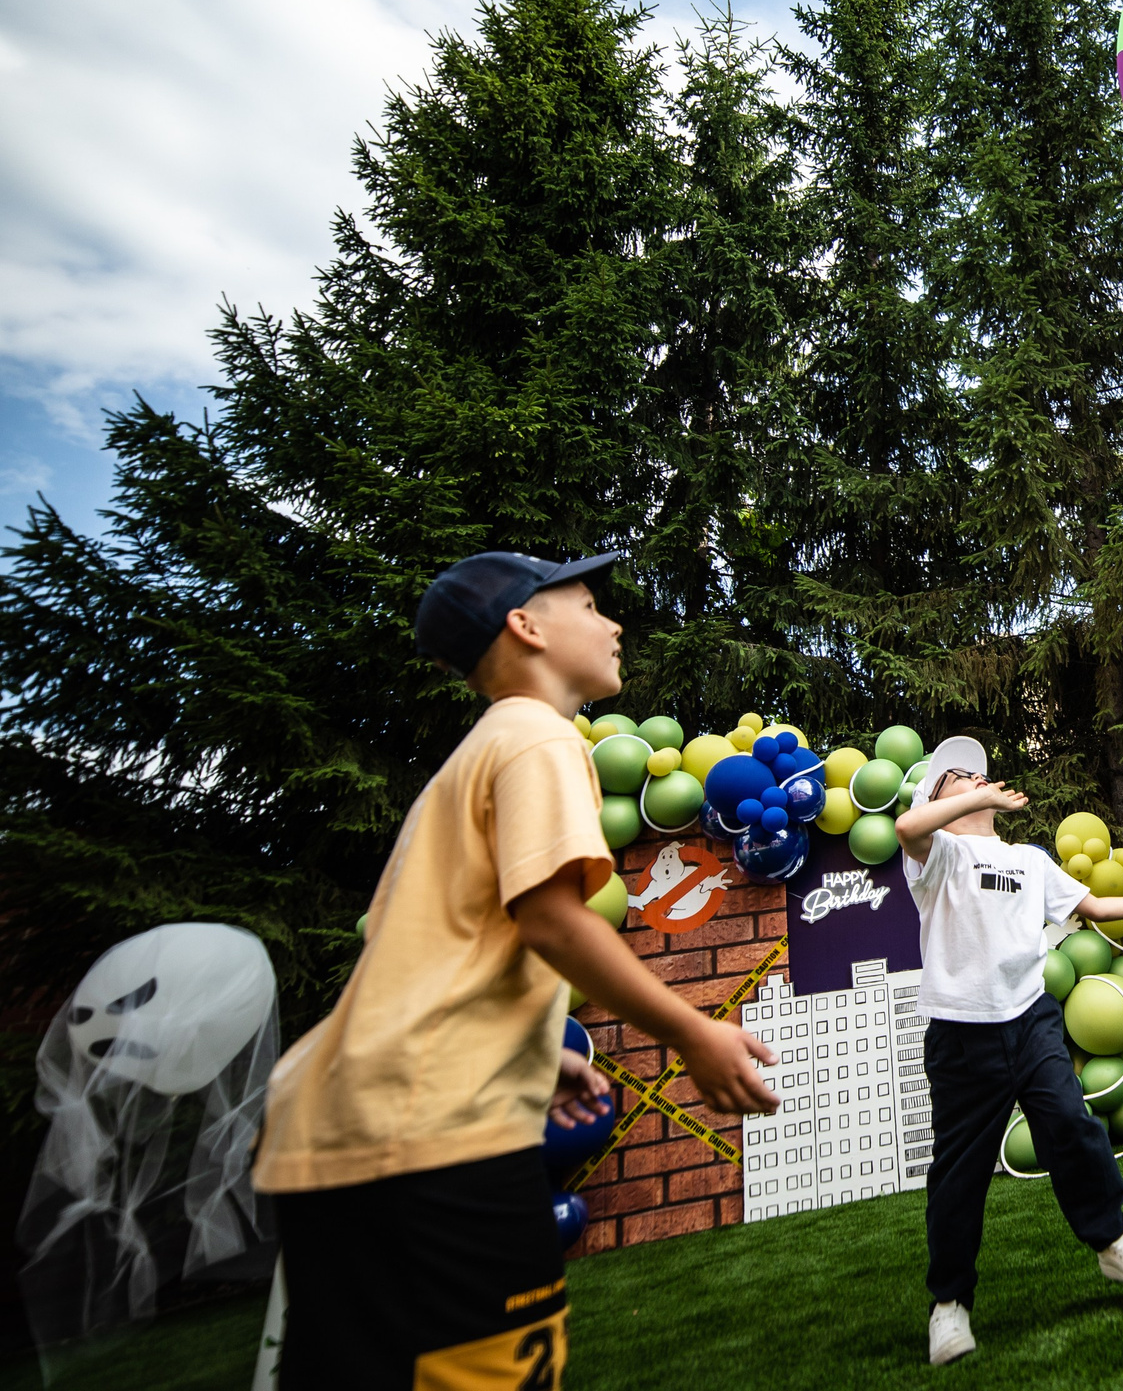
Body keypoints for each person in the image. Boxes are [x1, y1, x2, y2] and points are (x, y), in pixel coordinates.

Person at [253, 551, 779, 1388]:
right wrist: (691, 1031)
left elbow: (450, 946)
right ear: (525, 626)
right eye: (590, 603)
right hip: (424, 1137)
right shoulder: (538, 735)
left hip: (357, 1129)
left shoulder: (483, 752)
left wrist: (536, 1052)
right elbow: (550, 917)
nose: (613, 624)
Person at [895, 736, 1123, 1366]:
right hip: (961, 1032)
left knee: (1069, 1122)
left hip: (1030, 1018)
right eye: (956, 778)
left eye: (977, 776)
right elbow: (904, 825)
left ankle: (1113, 1241)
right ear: (939, 798)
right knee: (958, 1172)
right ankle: (948, 1306)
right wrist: (963, 801)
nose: (975, 781)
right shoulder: (939, 855)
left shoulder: (1031, 861)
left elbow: (1091, 907)